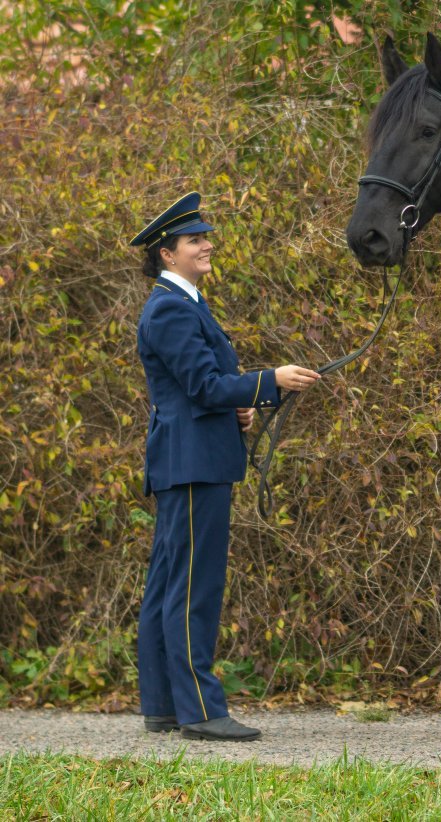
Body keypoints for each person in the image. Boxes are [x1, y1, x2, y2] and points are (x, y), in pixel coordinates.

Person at [129, 191, 320, 741]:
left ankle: (164, 706)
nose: (207, 245)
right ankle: (201, 712)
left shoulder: (185, 303)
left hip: (193, 457)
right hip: (191, 465)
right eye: (196, 240)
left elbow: (200, 391)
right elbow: (201, 385)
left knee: (169, 583)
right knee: (193, 587)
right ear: (168, 254)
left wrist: (239, 406)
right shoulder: (169, 306)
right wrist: (270, 382)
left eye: (205, 237)